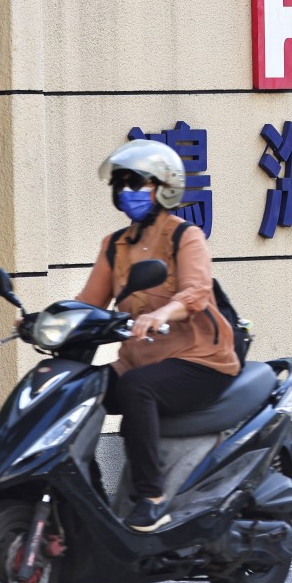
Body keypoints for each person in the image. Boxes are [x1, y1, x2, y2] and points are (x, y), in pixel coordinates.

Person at [75, 139, 240, 532]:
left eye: (136, 182)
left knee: (136, 389)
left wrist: (165, 311)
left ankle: (151, 498)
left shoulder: (185, 236)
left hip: (199, 361)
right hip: (141, 361)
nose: (126, 192)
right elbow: (90, 303)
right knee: (75, 390)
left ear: (165, 186)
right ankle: (89, 494)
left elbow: (197, 292)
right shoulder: (115, 246)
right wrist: (42, 320)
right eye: (121, 183)